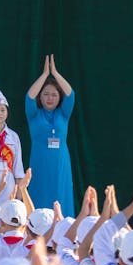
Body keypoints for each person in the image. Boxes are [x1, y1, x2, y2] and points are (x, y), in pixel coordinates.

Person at [25, 55, 77, 217]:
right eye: (46, 94)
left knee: (61, 197)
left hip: (60, 163)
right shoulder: (34, 114)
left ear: (59, 98)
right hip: (39, 162)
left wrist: (54, 72)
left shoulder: (63, 114)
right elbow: (29, 96)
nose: (50, 98)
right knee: (39, 195)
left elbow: (71, 94)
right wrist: (44, 75)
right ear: (41, 96)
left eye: (54, 95)